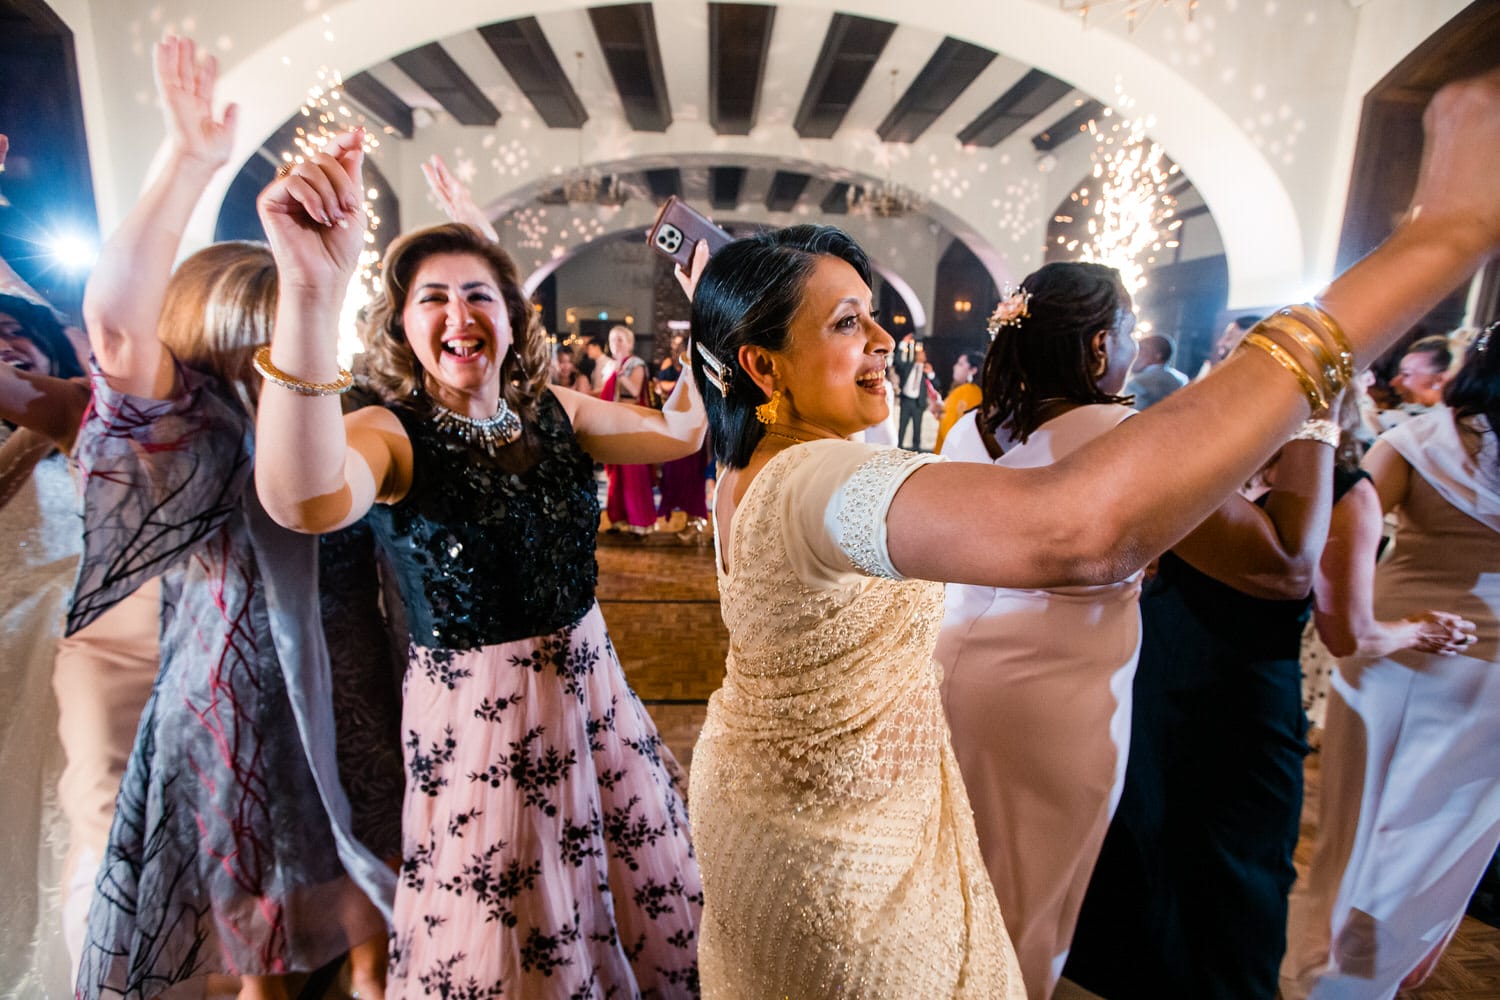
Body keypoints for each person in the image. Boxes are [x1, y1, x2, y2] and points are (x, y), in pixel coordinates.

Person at [680, 67, 1500, 999]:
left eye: (874, 311)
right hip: (834, 843)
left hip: (789, 797)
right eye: (846, 320)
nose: (883, 338)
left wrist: (721, 295)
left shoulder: (744, 464)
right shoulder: (821, 480)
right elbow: (1081, 531)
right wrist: (1446, 234)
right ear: (760, 363)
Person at [251, 135, 709, 996]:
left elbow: (684, 433)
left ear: (510, 315)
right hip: (479, 733)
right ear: (401, 326)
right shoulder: (391, 434)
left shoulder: (560, 413)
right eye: (433, 299)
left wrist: (709, 319)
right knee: (508, 928)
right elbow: (303, 500)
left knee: (633, 903)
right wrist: (311, 291)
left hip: (594, 699)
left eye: (478, 295)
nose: (458, 315)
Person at [67, 36, 387, 1000]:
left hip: (354, 682)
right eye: (265, 323)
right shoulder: (194, 434)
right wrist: (187, 163)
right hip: (232, 703)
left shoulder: (342, 411)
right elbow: (120, 331)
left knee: (373, 912)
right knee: (261, 951)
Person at [935, 263, 1141, 999]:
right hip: (1059, 696)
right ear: (1095, 347)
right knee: (1029, 898)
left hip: (951, 666)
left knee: (950, 879)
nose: (1135, 349)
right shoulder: (1121, 434)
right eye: (1130, 330)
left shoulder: (965, 430)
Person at [1280, 329, 1496, 999]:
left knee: (1352, 818)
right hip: (1475, 668)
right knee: (1438, 839)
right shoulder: (1412, 440)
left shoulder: (1417, 442)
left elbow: (1343, 525)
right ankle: (1375, 972)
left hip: (1393, 654)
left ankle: (1316, 964)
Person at [601, 323, 658, 534]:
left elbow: (634, 391)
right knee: (617, 474)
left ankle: (640, 522)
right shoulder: (615, 365)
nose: (614, 344)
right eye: (612, 339)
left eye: (619, 339)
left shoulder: (635, 364)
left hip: (631, 424)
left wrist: (619, 374)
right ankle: (619, 519)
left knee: (634, 473)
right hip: (614, 423)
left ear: (630, 343)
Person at [934, 350, 983, 453]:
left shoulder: (963, 392)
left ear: (973, 370)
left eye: (960, 364)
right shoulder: (980, 392)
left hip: (950, 454)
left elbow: (948, 429)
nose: (955, 367)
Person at [894, 334, 937, 450]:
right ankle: (898, 448)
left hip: (918, 403)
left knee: (917, 428)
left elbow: (937, 385)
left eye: (922, 354)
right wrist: (903, 343)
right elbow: (897, 361)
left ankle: (916, 449)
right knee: (902, 427)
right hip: (906, 401)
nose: (920, 355)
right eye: (918, 353)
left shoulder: (926, 370)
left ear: (925, 357)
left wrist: (931, 374)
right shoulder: (908, 366)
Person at [1124, 334, 1190, 410]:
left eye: (1141, 351)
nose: (1134, 356)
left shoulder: (1137, 383)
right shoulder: (1182, 380)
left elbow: (1131, 417)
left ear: (1158, 356)